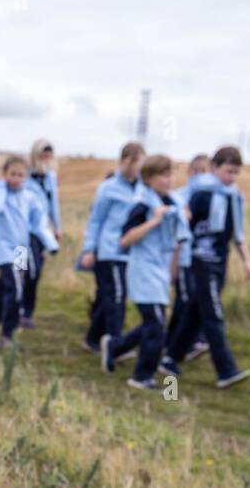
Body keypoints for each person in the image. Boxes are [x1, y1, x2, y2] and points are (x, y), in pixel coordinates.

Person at [163, 145, 250, 389]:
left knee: (194, 313)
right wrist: (176, 261)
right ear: (214, 168)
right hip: (199, 262)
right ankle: (226, 370)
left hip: (219, 262)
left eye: (236, 173)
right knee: (213, 315)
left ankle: (170, 358)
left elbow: (237, 233)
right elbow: (182, 228)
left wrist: (246, 260)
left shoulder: (234, 197)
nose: (231, 178)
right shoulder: (199, 193)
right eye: (228, 171)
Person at [100, 155, 189, 390]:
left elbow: (175, 241)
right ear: (149, 179)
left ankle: (115, 347)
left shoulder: (172, 204)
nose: (169, 180)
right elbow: (125, 240)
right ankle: (142, 376)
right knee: (156, 325)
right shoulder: (142, 204)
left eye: (171, 175)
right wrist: (154, 221)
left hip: (159, 270)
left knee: (155, 323)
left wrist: (173, 268)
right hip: (143, 270)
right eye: (163, 175)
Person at [0, 156, 59, 346]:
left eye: (20, 174)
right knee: (16, 290)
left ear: (26, 176)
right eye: (12, 174)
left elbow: (39, 223)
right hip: (3, 247)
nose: (16, 178)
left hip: (21, 249)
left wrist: (51, 243)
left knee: (4, 290)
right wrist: (0, 187)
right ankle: (8, 334)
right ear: (5, 175)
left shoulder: (30, 197)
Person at [81, 142, 146, 354]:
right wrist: (89, 249)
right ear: (124, 161)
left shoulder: (143, 188)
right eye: (133, 161)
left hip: (131, 252)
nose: (136, 166)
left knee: (107, 296)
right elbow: (96, 220)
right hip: (109, 250)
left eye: (140, 162)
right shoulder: (108, 188)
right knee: (117, 296)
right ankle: (116, 345)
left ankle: (92, 339)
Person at [165, 154, 210, 362]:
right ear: (189, 172)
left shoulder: (212, 198)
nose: (201, 176)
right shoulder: (178, 196)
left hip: (201, 259)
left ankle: (177, 343)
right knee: (184, 300)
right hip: (181, 258)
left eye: (206, 172)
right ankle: (178, 344)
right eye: (198, 171)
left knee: (193, 300)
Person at [22, 139, 62, 326]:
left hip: (41, 230)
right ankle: (14, 308)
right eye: (42, 155)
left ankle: (27, 311)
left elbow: (53, 202)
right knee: (20, 269)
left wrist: (57, 227)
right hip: (20, 229)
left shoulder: (51, 177)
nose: (46, 159)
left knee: (35, 272)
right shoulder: (23, 174)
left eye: (48, 155)